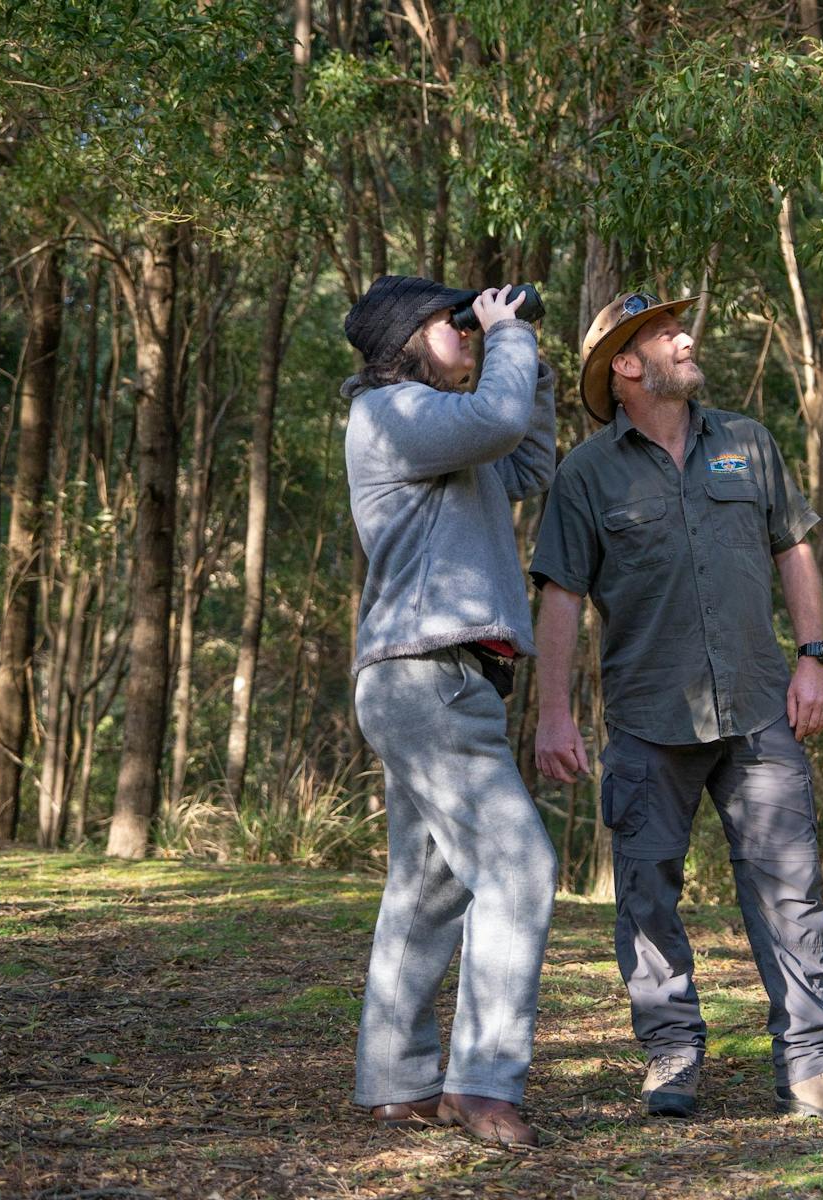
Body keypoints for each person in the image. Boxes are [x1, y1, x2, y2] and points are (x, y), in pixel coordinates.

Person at [529, 291, 823, 1128]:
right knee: (647, 893)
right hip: (649, 719)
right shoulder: (587, 475)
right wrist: (554, 716)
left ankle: (813, 1067)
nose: (686, 337)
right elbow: (559, 597)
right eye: (664, 334)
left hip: (761, 708)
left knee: (791, 892)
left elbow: (793, 545)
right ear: (624, 367)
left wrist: (814, 657)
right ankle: (670, 1052)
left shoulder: (747, 444)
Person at [343, 275, 557, 1148]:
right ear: (404, 341)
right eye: (451, 322)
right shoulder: (390, 414)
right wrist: (507, 337)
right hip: (428, 676)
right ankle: (482, 1082)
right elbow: (497, 423)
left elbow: (528, 461)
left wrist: (530, 365)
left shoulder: (445, 436)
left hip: (439, 680)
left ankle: (396, 1081)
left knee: (428, 889)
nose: (466, 332)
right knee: (520, 868)